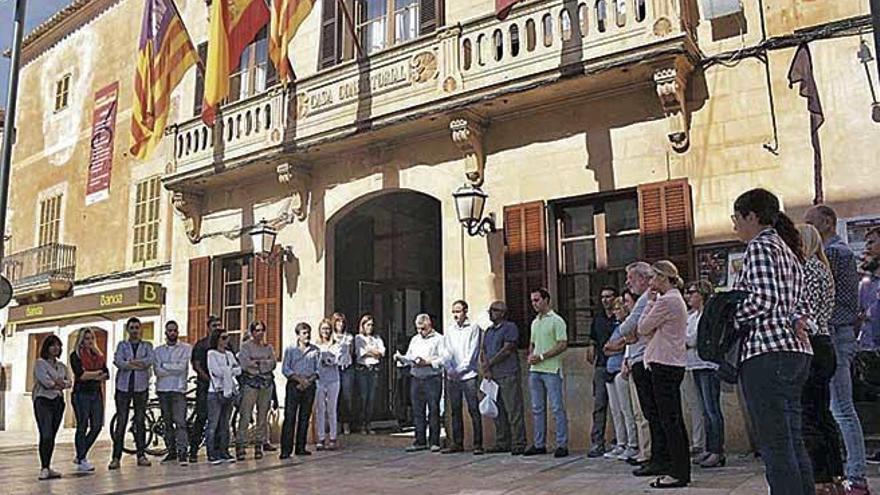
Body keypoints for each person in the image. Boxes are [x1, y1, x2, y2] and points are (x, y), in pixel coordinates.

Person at [735, 188, 813, 494]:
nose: (735, 226)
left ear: (751, 216)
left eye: (737, 218)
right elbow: (803, 308)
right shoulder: (788, 251)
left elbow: (764, 299)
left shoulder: (759, 246)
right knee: (793, 441)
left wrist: (731, 316)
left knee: (776, 447)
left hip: (767, 353)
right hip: (795, 351)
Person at [805, 204, 871, 495]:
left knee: (842, 409)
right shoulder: (839, 252)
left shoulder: (833, 253)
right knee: (835, 409)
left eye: (811, 223)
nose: (806, 228)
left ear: (828, 222)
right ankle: (845, 473)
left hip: (835, 332)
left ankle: (856, 475)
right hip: (837, 332)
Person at [799, 224, 846, 494]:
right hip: (826, 342)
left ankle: (819, 478)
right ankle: (835, 473)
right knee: (823, 413)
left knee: (809, 414)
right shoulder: (823, 268)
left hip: (811, 343)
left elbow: (804, 310)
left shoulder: (806, 269)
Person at [636, 260, 691, 489]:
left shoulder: (667, 301)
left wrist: (649, 303)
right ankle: (676, 468)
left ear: (663, 278)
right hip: (671, 363)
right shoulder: (675, 299)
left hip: (664, 364)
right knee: (673, 419)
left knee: (670, 421)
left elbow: (642, 327)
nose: (651, 282)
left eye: (655, 277)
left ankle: (677, 471)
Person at [605, 263, 655, 472]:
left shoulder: (647, 299)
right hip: (634, 361)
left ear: (644, 278)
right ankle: (645, 452)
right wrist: (629, 334)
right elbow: (625, 333)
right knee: (636, 412)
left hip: (645, 360)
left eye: (631, 278)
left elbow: (630, 327)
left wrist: (629, 333)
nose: (627, 282)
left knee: (645, 413)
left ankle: (648, 453)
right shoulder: (644, 300)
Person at [524, 288, 569, 458]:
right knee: (537, 408)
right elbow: (532, 343)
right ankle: (539, 443)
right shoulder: (535, 322)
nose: (534, 304)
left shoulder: (557, 320)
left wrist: (542, 356)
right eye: (532, 301)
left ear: (546, 300)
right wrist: (531, 355)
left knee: (557, 408)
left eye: (537, 300)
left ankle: (562, 444)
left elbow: (562, 344)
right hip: (535, 370)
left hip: (551, 369)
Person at [684, 280, 726, 468]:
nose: (688, 296)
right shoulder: (691, 316)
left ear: (701, 294)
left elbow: (695, 339)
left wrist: (685, 340)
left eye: (692, 292)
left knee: (712, 409)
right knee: (704, 408)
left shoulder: (708, 315)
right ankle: (709, 448)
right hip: (694, 364)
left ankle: (717, 449)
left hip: (708, 365)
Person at [481, 301, 527, 456]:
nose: (490, 313)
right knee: (498, 411)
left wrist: (490, 363)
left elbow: (508, 349)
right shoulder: (488, 331)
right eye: (490, 310)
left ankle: (519, 442)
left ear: (502, 312)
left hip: (508, 373)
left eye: (494, 310)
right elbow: (484, 350)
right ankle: (502, 441)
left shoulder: (509, 328)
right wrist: (485, 366)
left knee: (513, 409)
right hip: (493, 376)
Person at [396, 314, 445, 452]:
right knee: (418, 411)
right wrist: (402, 358)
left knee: (433, 410)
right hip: (416, 378)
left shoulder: (439, 339)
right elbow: (410, 355)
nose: (420, 332)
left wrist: (427, 362)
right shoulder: (415, 339)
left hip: (432, 378)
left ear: (429, 325)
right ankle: (419, 440)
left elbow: (443, 358)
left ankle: (434, 441)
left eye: (422, 329)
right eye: (417, 329)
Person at [110, 317, 154, 470]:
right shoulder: (122, 345)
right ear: (128, 329)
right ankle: (116, 457)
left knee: (140, 421)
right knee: (121, 421)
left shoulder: (147, 345)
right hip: (123, 388)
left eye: (137, 327)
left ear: (140, 329)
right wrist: (136, 364)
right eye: (132, 328)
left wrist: (129, 363)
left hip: (141, 388)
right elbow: (118, 361)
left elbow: (149, 361)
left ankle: (141, 454)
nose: (135, 330)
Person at [441, 300, 483, 455]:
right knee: (455, 410)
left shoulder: (473, 328)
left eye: (458, 311)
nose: (455, 315)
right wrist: (450, 369)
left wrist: (459, 369)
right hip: (453, 377)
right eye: (453, 312)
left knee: (473, 409)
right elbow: (447, 351)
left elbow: (473, 352)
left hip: (469, 375)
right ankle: (457, 442)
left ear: (465, 312)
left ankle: (478, 443)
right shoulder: (450, 330)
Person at [603, 297, 639, 462]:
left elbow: (621, 345)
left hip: (621, 371)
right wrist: (611, 348)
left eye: (618, 309)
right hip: (610, 370)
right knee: (616, 411)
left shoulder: (628, 326)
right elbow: (607, 348)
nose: (616, 312)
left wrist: (613, 347)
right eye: (615, 309)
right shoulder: (615, 327)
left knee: (627, 410)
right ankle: (621, 442)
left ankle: (633, 443)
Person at [69, 327, 109, 473]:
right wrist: (96, 374)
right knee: (82, 425)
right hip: (81, 394)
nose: (90, 341)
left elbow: (106, 374)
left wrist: (93, 374)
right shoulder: (75, 356)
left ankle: (80, 454)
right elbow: (81, 375)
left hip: (96, 393)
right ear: (81, 340)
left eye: (92, 338)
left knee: (97, 426)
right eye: (86, 338)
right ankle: (82, 459)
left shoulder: (98, 355)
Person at [236, 320, 277, 460]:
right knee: (246, 415)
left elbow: (272, 363)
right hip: (251, 383)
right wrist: (260, 364)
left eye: (261, 330)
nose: (259, 333)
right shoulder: (246, 347)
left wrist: (259, 364)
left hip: (266, 383)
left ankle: (259, 444)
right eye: (257, 330)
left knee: (262, 416)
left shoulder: (268, 347)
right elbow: (245, 364)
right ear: (252, 332)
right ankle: (241, 444)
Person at [153, 320, 192, 466]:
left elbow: (181, 368)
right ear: (165, 332)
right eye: (170, 330)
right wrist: (171, 368)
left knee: (180, 422)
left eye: (175, 330)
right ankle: (171, 451)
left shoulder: (186, 348)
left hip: (178, 389)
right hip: (163, 390)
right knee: (167, 423)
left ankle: (183, 452)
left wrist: (166, 366)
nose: (172, 333)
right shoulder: (158, 351)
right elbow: (157, 371)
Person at [33, 335, 71, 480]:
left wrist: (59, 383)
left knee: (52, 435)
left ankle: (48, 466)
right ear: (47, 347)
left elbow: (69, 382)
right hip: (43, 401)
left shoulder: (62, 366)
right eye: (52, 345)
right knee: (46, 433)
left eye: (58, 345)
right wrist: (58, 382)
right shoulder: (40, 363)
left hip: (58, 402)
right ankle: (43, 467)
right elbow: (45, 382)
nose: (56, 348)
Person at [586, 286, 618, 458]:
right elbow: (593, 338)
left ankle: (620, 441)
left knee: (619, 407)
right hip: (601, 365)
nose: (606, 300)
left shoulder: (619, 318)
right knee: (599, 405)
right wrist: (591, 347)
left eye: (609, 296)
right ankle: (597, 442)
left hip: (617, 364)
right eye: (603, 297)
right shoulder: (598, 318)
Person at [281, 322, 320, 458]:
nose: (307, 335)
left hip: (309, 385)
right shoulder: (290, 349)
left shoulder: (315, 350)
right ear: (298, 335)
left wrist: (307, 381)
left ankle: (300, 447)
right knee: (290, 417)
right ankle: (286, 450)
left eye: (308, 332)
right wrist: (298, 379)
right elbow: (285, 368)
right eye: (304, 333)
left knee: (304, 417)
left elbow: (318, 370)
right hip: (294, 385)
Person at [189, 315, 223, 463]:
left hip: (220, 388)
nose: (217, 328)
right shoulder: (201, 345)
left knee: (219, 419)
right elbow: (196, 365)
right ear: (208, 328)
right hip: (204, 386)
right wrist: (209, 379)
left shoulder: (224, 345)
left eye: (219, 325)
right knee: (201, 417)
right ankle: (194, 450)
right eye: (214, 326)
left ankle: (216, 450)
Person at [206, 327, 241, 464]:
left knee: (225, 424)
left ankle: (224, 451)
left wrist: (227, 371)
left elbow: (238, 370)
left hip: (229, 391)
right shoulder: (211, 354)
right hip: (215, 392)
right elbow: (215, 372)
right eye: (223, 338)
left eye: (227, 337)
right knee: (213, 424)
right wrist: (229, 370)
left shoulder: (229, 354)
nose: (226, 340)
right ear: (217, 339)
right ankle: (212, 453)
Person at [355, 314, 385, 434]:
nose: (370, 327)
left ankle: (369, 423)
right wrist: (374, 352)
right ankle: (361, 424)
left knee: (371, 398)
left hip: (374, 369)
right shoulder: (358, 338)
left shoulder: (377, 338)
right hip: (363, 369)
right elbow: (360, 353)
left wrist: (369, 351)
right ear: (363, 326)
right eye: (368, 325)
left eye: (372, 325)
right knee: (363, 397)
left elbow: (382, 353)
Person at [315, 318, 341, 451]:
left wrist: (330, 360)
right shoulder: (315, 346)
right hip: (319, 379)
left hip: (333, 379)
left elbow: (338, 359)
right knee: (320, 409)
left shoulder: (336, 344)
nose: (325, 331)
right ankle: (320, 437)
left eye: (328, 329)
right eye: (323, 329)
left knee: (331, 408)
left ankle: (332, 437)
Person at [332, 312, 356, 435]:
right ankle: (335, 424)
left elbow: (351, 352)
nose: (340, 324)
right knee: (335, 396)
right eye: (337, 322)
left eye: (342, 322)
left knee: (347, 397)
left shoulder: (349, 337)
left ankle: (346, 424)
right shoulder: (331, 337)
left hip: (347, 368)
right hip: (334, 369)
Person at [858, 227, 880, 350]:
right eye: (867, 243)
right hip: (868, 350)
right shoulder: (866, 284)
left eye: (872, 242)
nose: (868, 247)